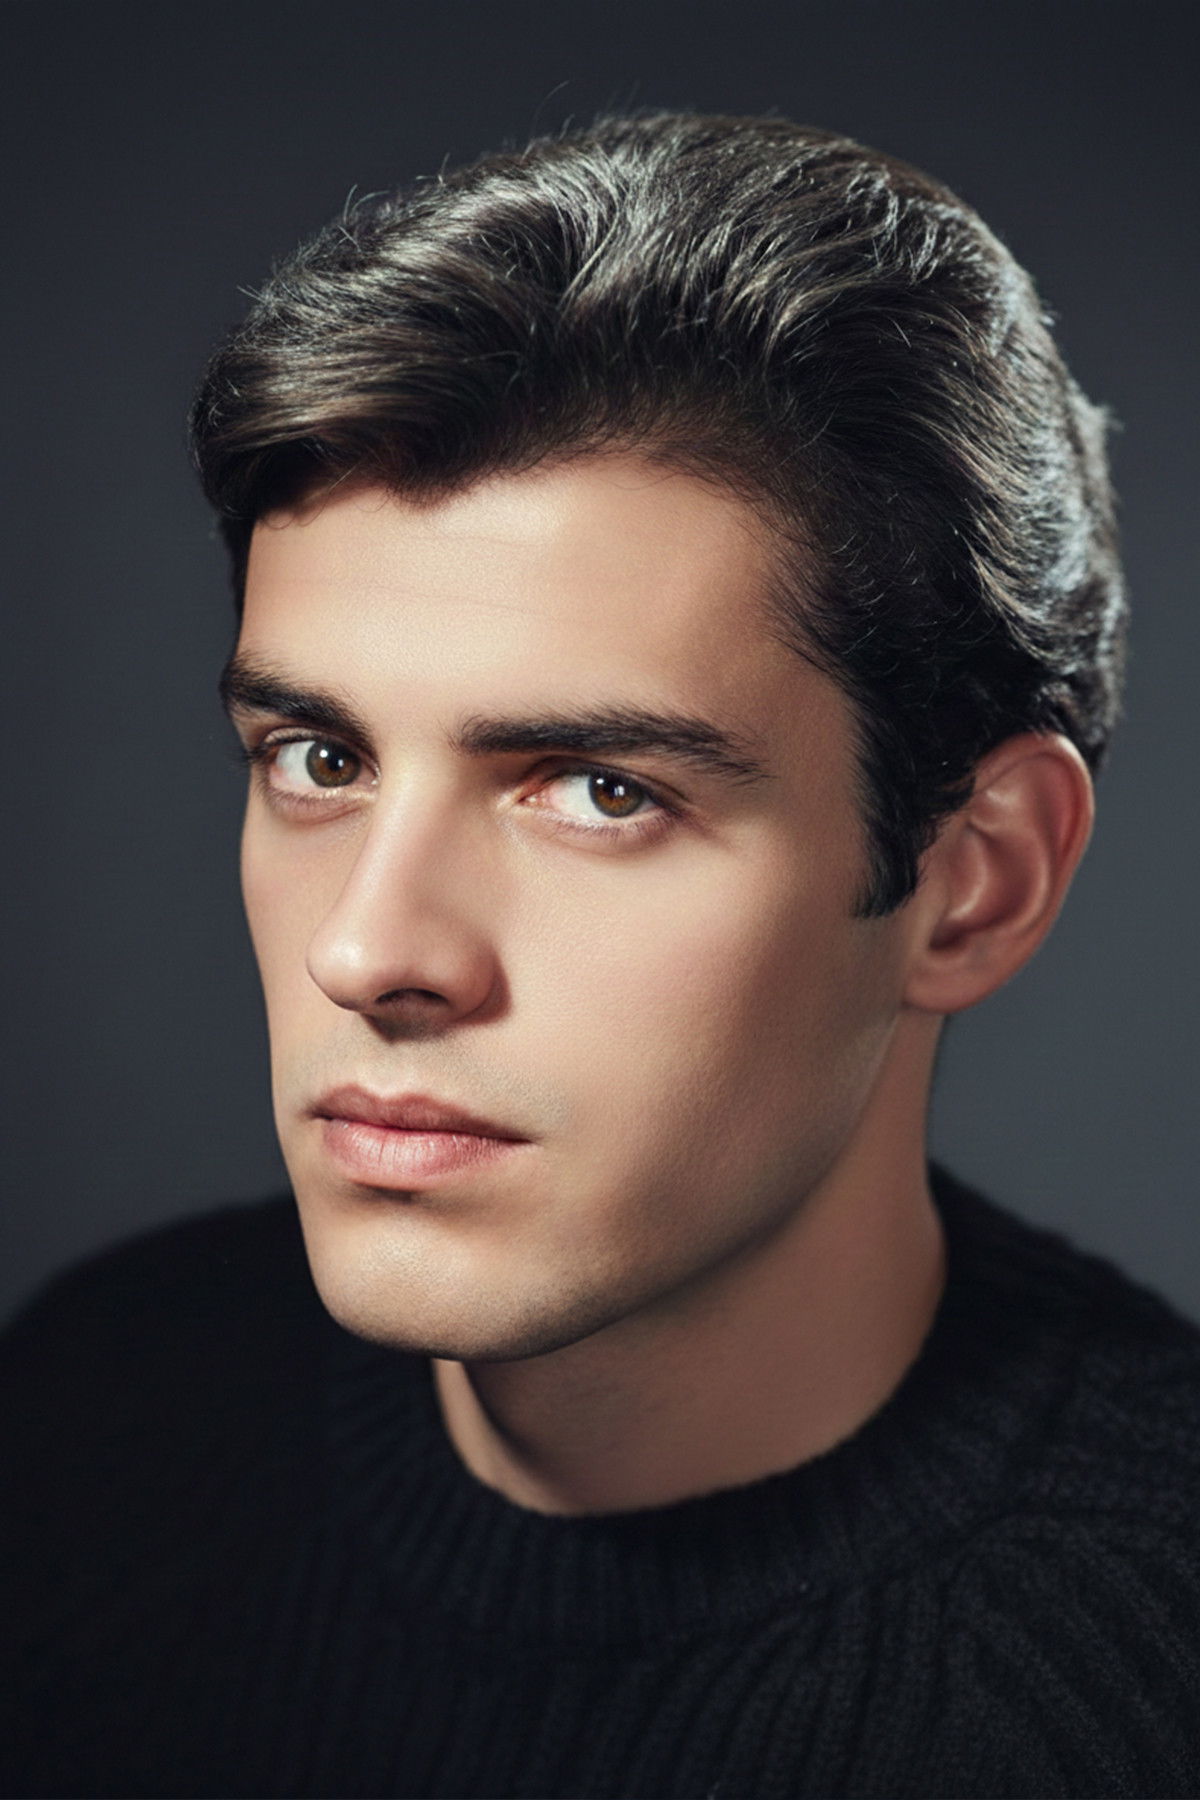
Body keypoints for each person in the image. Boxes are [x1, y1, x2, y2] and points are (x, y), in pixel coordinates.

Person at [2, 110, 1197, 1800]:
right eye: (320, 759)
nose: (368, 947)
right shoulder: (91, 1412)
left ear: (974, 883)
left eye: (598, 789)